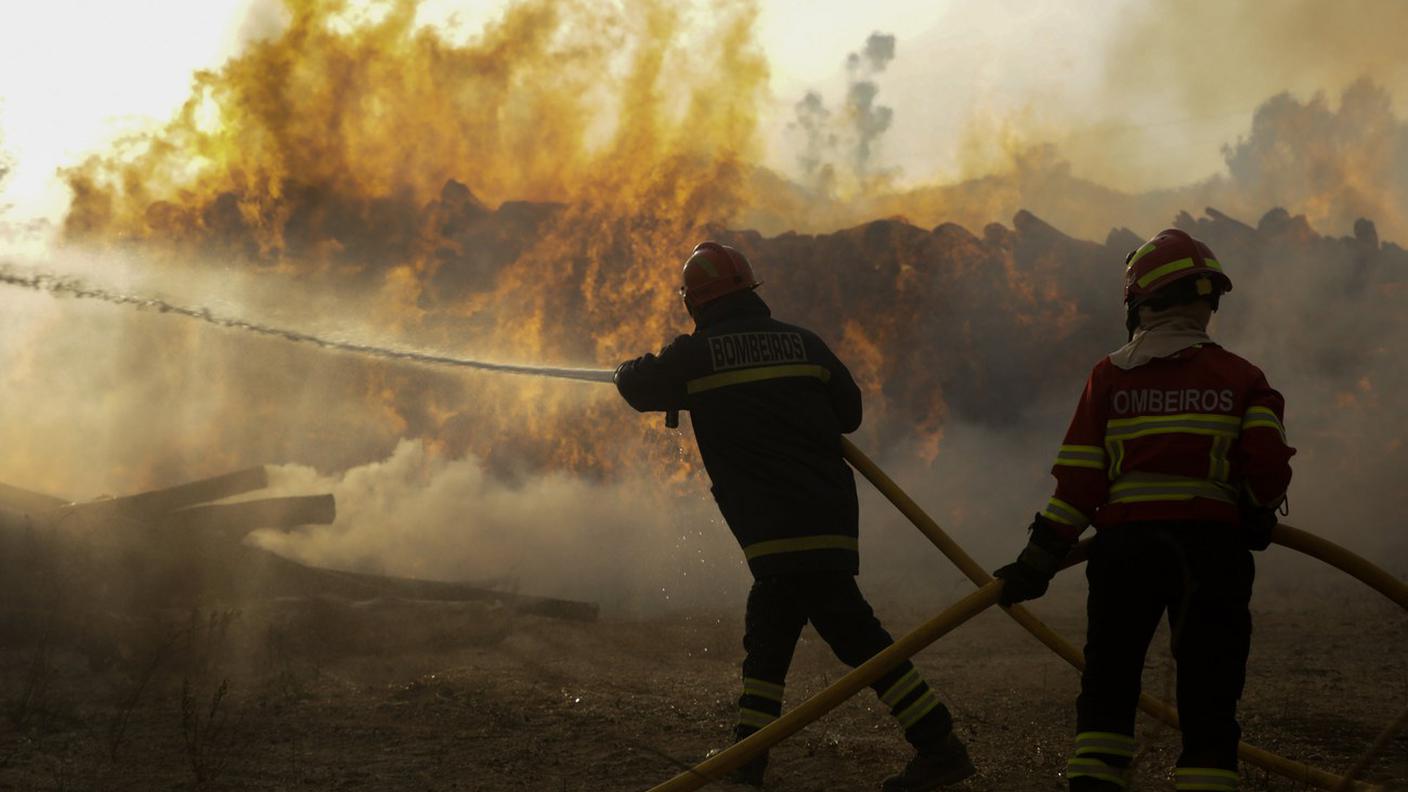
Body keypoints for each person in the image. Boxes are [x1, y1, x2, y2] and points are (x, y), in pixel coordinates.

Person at [615, 241, 973, 790]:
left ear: (695, 303)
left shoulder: (694, 355)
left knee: (850, 637)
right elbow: (849, 414)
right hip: (828, 517)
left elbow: (639, 386)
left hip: (771, 526)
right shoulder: (803, 343)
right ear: (752, 292)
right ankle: (751, 758)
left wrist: (624, 370)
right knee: (781, 632)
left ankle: (937, 744)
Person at [994, 228, 1295, 792]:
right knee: (1209, 686)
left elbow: (1080, 481)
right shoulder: (1242, 378)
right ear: (1207, 304)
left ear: (1141, 303)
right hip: (1210, 550)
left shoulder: (1109, 376)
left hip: (1125, 550)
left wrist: (1040, 555)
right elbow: (1268, 461)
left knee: (1109, 679)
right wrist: (1255, 509)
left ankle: (1094, 779)